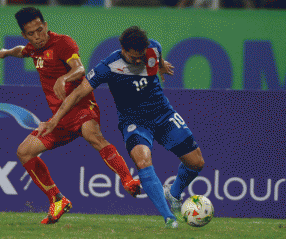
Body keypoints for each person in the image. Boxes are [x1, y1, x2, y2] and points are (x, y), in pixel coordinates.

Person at [37, 26, 205, 228]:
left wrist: (160, 67)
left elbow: (157, 61)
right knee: (142, 160)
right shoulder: (108, 66)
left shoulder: (153, 48)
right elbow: (79, 93)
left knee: (196, 163)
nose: (138, 60)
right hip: (134, 121)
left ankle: (174, 193)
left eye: (140, 56)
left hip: (163, 114)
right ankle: (169, 218)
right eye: (133, 57)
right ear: (123, 50)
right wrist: (55, 119)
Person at [0, 7, 141, 225]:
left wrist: (64, 78)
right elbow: (22, 51)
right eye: (31, 33)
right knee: (24, 152)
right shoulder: (32, 48)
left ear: (45, 25)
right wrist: (7, 52)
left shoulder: (63, 43)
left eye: (39, 30)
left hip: (82, 106)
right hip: (59, 118)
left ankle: (128, 180)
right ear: (25, 35)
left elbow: (80, 69)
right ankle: (57, 199)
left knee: (93, 134)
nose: (37, 36)